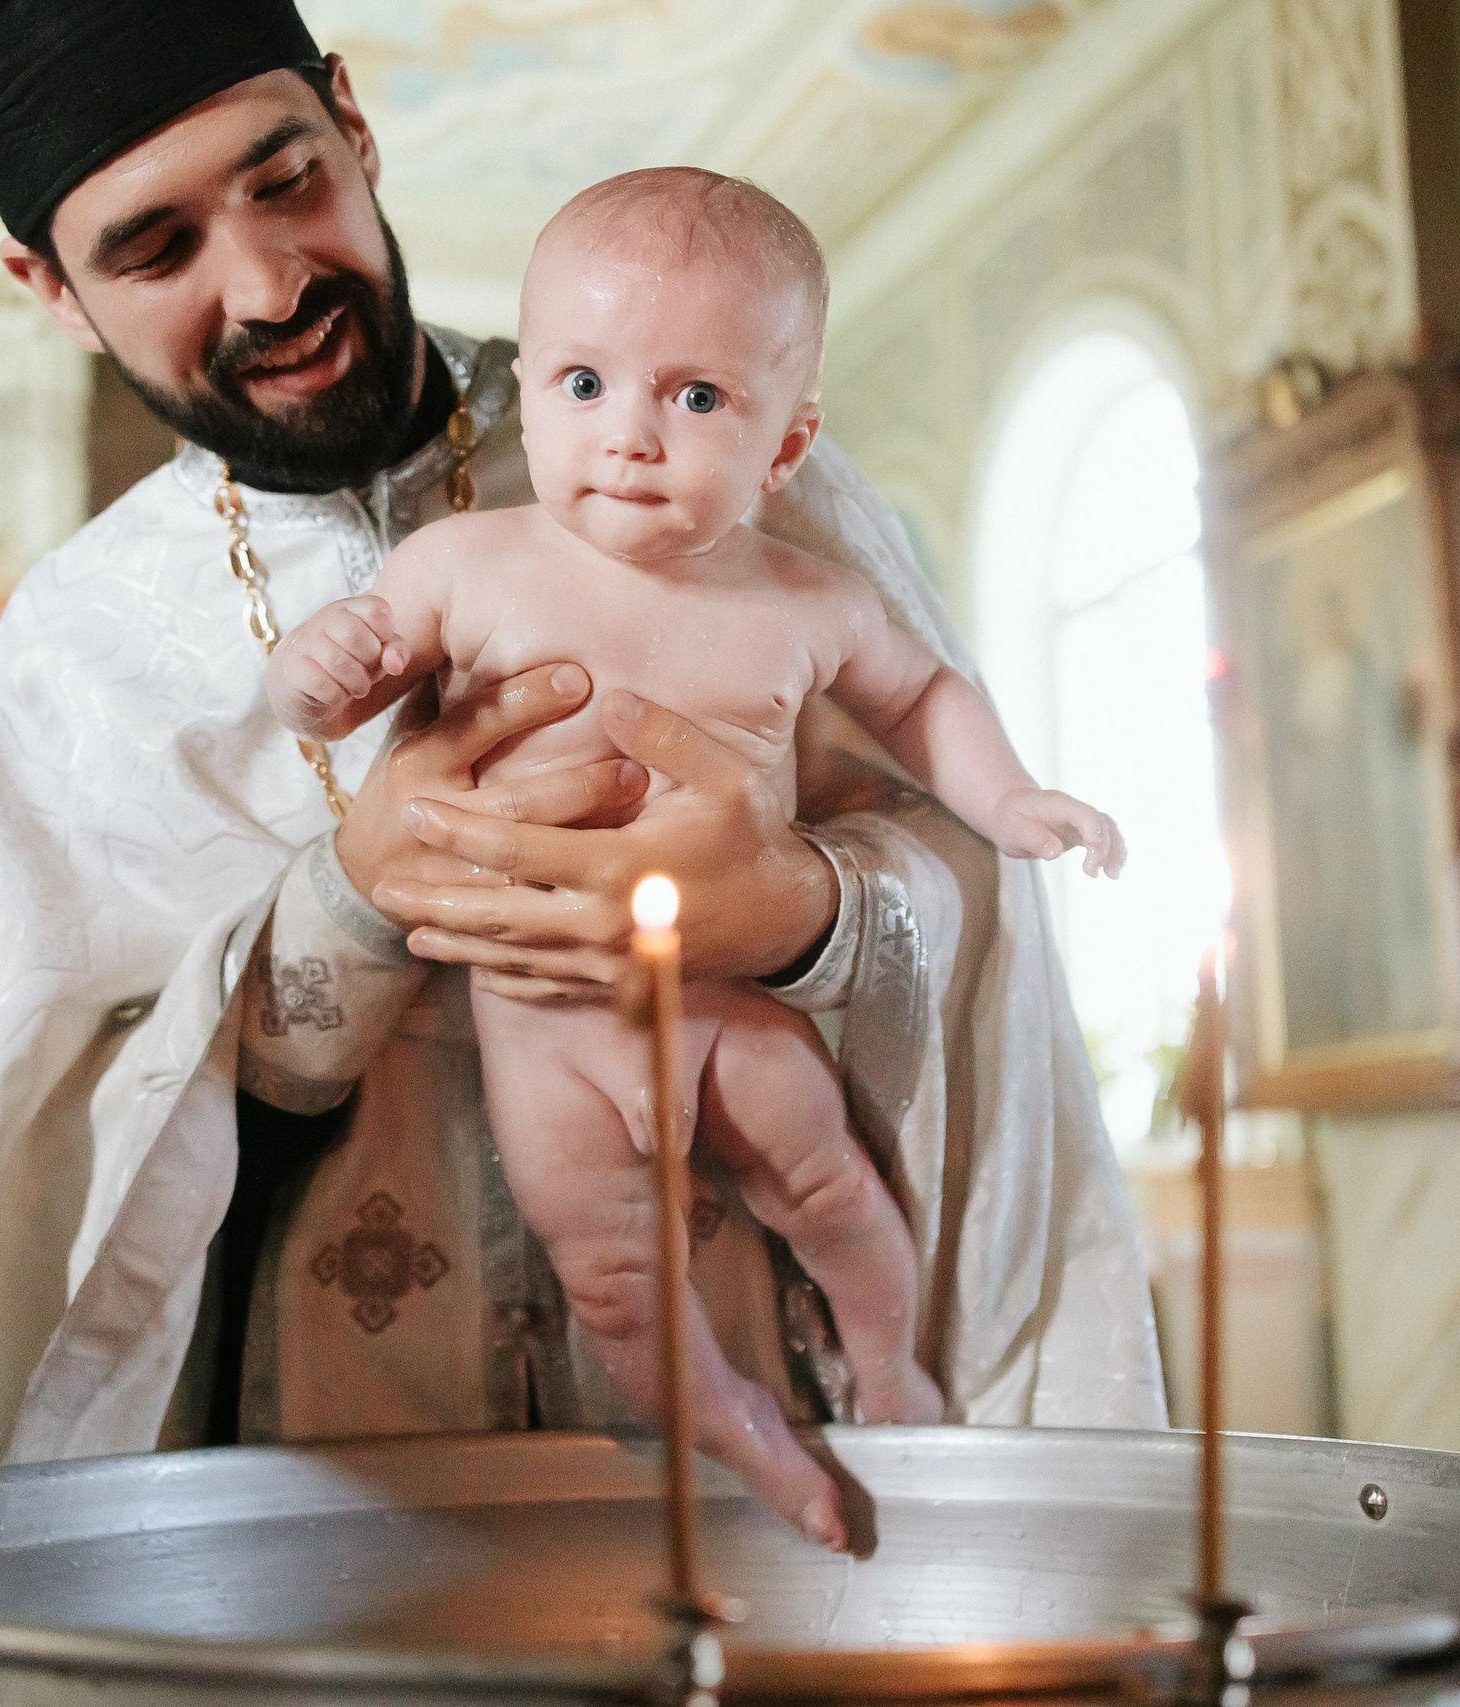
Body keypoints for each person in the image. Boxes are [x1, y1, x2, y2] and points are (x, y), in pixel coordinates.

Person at [0, 0, 1164, 1487]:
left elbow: (982, 899)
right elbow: (26, 1165)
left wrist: (801, 909)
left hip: (767, 1372)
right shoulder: (76, 652)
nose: (271, 282)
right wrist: (350, 900)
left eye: (287, 180)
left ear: (352, 122)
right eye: (157, 251)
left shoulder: (716, 448)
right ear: (51, 287)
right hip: (334, 1465)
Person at [267, 168, 1127, 1544]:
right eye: (585, 383)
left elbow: (924, 696)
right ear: (528, 395)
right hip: (550, 1039)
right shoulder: (463, 567)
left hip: (724, 1007)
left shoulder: (810, 600)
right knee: (619, 1285)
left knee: (835, 1193)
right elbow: (335, 693)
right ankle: (750, 1441)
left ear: (787, 447)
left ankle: (888, 1364)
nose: (632, 437)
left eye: (699, 398)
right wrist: (316, 674)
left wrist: (1014, 799)